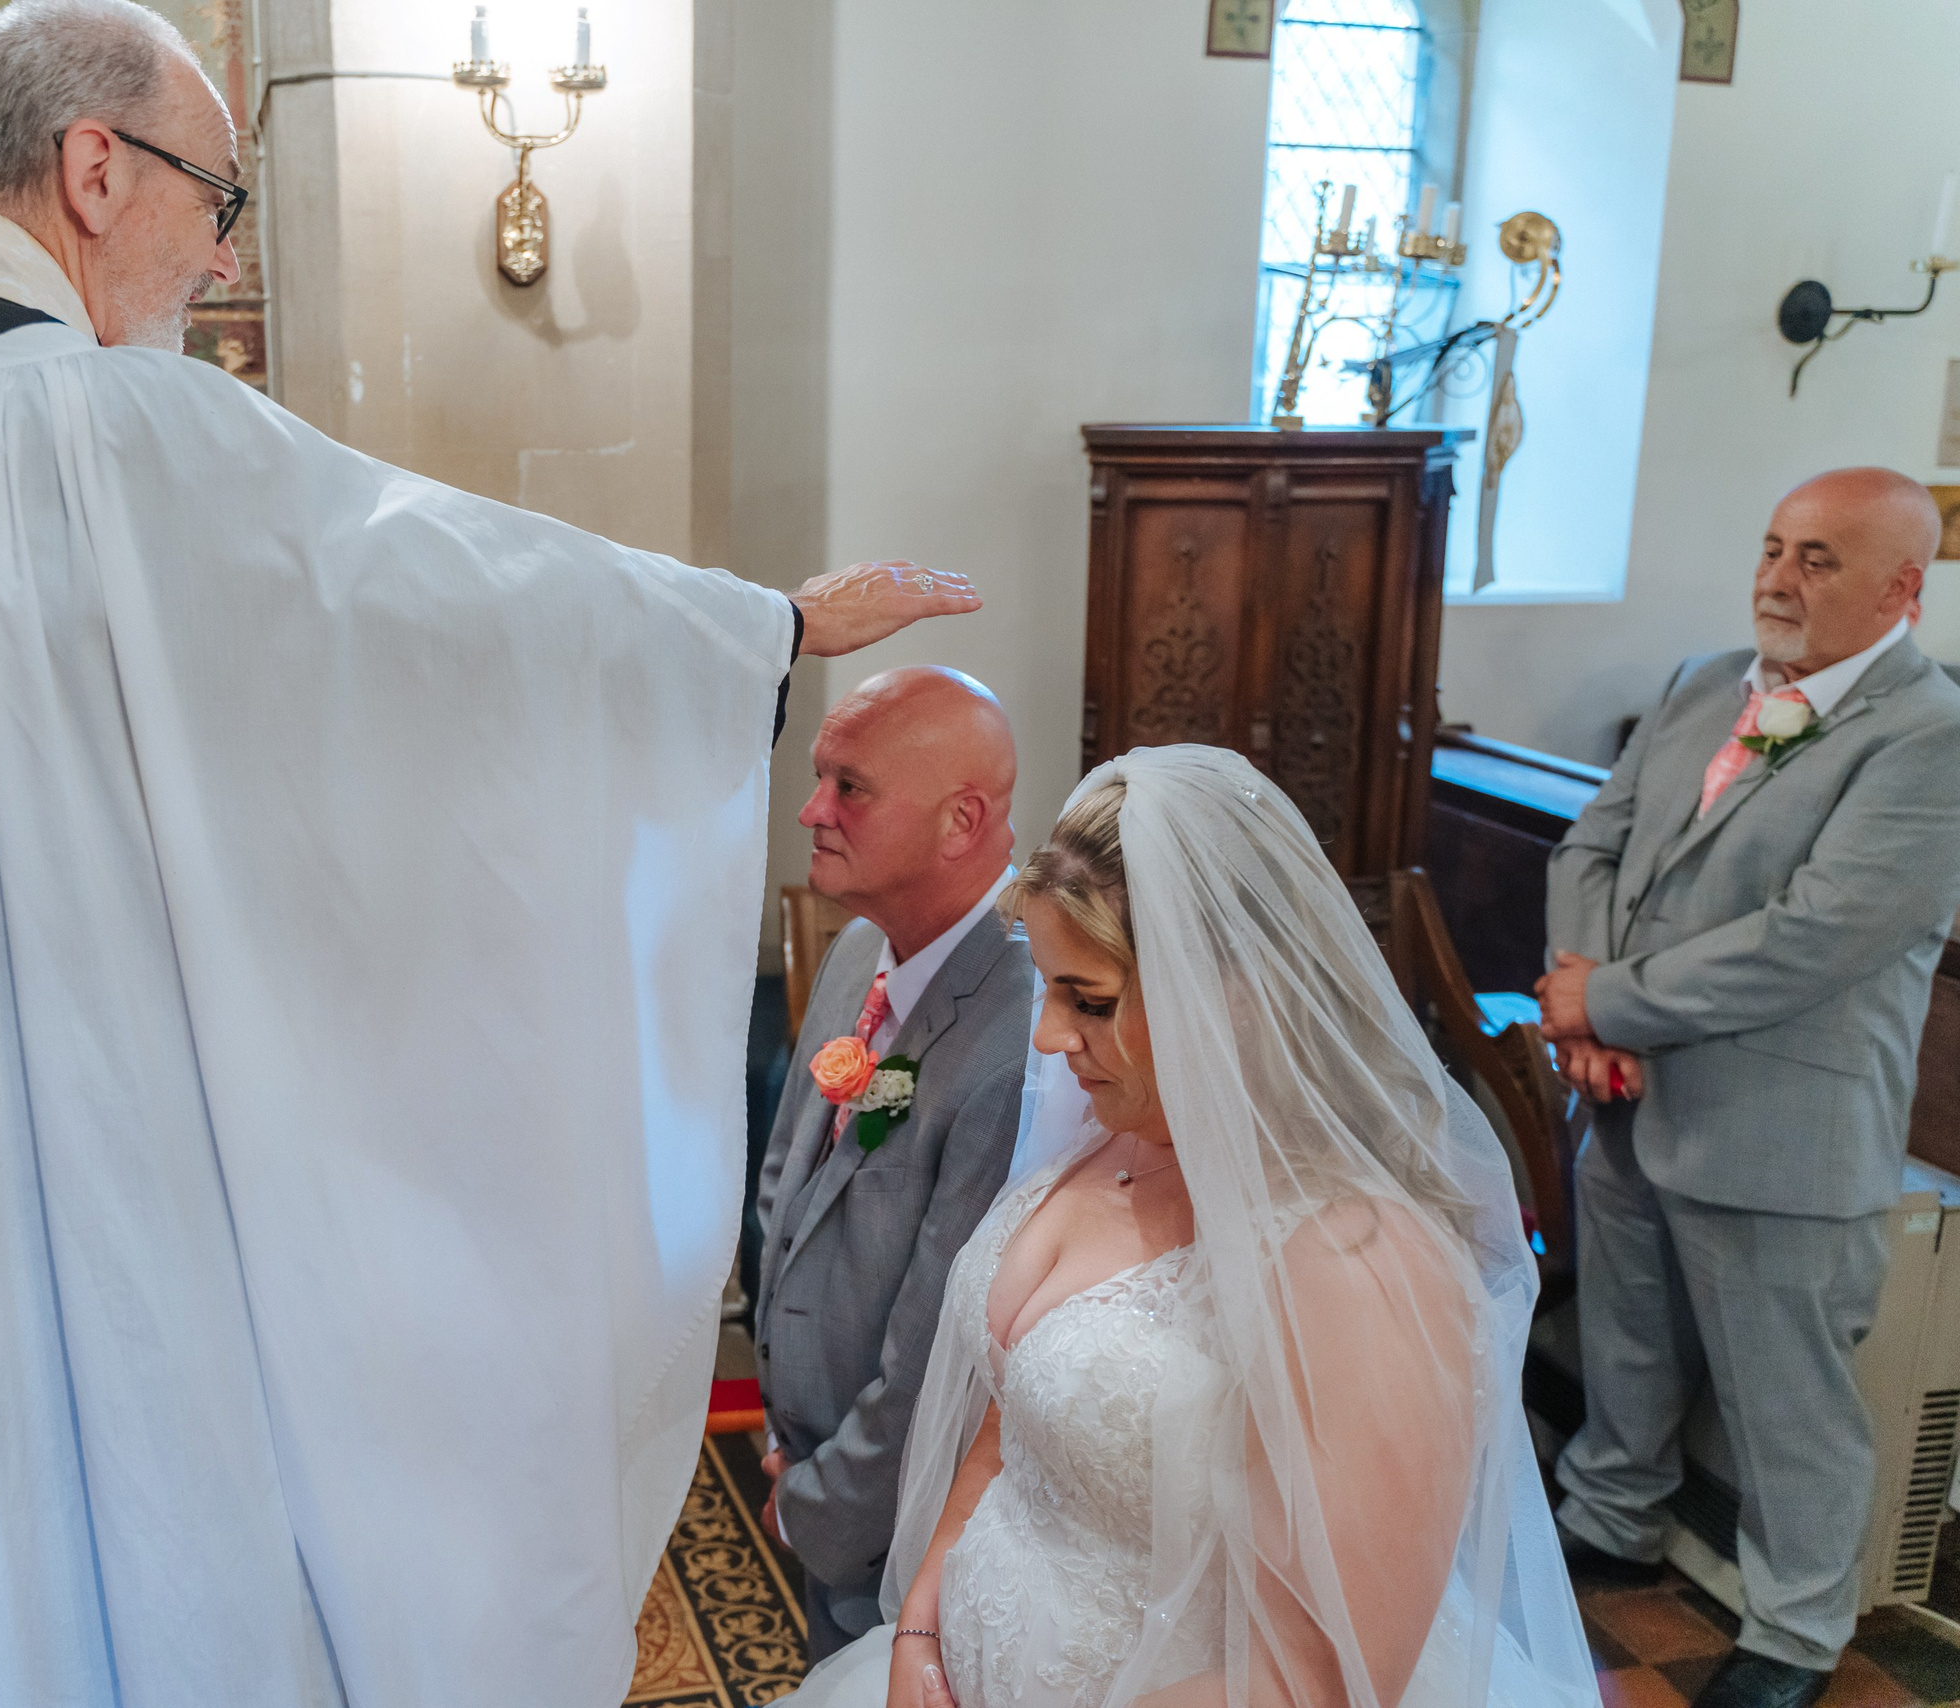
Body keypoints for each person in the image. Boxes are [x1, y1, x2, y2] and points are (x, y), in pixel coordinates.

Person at [0, 0, 980, 1702]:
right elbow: (435, 595)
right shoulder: (118, 428)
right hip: (80, 1107)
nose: (213, 263)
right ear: (94, 166)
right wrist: (765, 628)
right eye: (213, 202)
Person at [779, 745, 1598, 1708]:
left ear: (1232, 1001)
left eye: (1089, 1001)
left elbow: (1320, 1680)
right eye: (1049, 988)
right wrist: (921, 1625)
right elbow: (1012, 1428)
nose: (1047, 1037)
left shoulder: (1359, 1257)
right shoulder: (1113, 1137)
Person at [1538, 467, 1960, 1708]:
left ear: (1902, 588)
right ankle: (1612, 1512)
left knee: (1790, 1405)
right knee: (1626, 1336)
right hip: (1629, 1093)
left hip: (1783, 1119)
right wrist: (1582, 981)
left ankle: (1798, 1627)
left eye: (1819, 559)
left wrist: (1604, 1002)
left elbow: (1811, 937)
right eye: (1775, 547)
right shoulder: (1701, 684)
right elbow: (1591, 842)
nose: (1778, 577)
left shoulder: (1929, 737)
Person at [753, 667, 1032, 1661]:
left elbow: (940, 1345)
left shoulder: (1021, 1035)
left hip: (898, 1511)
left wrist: (820, 1503)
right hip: (805, 1450)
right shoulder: (858, 946)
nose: (809, 808)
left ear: (960, 821)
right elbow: (794, 1170)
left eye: (848, 787)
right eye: (820, 775)